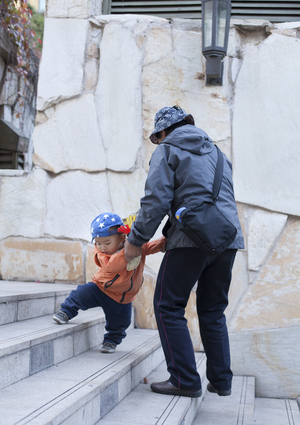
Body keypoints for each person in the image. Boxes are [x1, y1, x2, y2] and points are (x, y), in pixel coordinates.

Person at [124, 106, 244, 397]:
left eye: (159, 136)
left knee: (168, 305)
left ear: (165, 131)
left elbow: (156, 199)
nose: (159, 141)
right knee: (213, 311)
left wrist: (136, 239)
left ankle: (184, 380)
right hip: (227, 239)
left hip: (190, 240)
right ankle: (221, 380)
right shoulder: (218, 154)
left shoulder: (167, 150)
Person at [53, 212, 166, 353]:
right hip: (101, 289)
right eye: (98, 242)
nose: (102, 247)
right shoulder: (101, 254)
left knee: (121, 322)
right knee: (81, 293)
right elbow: (113, 265)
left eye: (107, 243)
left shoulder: (135, 246)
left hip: (122, 298)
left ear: (122, 238)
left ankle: (111, 341)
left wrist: (162, 243)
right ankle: (66, 311)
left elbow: (148, 247)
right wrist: (128, 252)